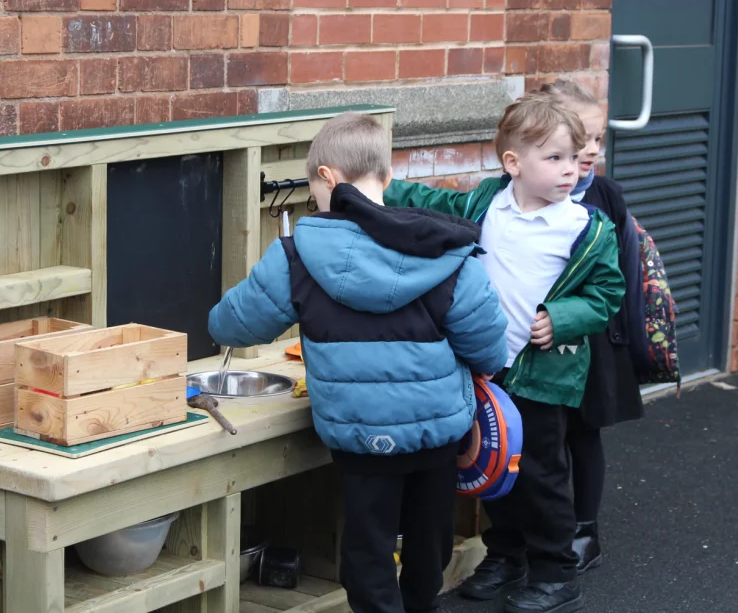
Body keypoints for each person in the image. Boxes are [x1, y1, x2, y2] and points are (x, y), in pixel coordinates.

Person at [208, 111, 509, 613]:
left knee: (367, 548)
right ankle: (421, 604)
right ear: (386, 178)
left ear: (325, 178)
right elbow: (489, 349)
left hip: (361, 438)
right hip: (437, 434)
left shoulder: (297, 254)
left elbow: (231, 325)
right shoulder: (448, 252)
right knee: (428, 541)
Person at [383, 95, 625, 613]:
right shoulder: (486, 204)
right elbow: (430, 202)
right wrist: (371, 185)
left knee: (542, 475)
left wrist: (564, 317)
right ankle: (507, 553)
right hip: (487, 370)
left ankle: (558, 571)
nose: (572, 168)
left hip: (542, 374)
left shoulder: (585, 226)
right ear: (513, 164)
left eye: (576, 156)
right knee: (496, 471)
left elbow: (607, 294)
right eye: (556, 158)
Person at [539, 79, 645, 573]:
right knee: (540, 437)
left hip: (594, 339)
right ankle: (530, 532)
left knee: (583, 436)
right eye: (580, 139)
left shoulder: (606, 196)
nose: (591, 151)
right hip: (540, 339)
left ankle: (585, 530)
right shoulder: (523, 194)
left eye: (598, 140)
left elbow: (622, 275)